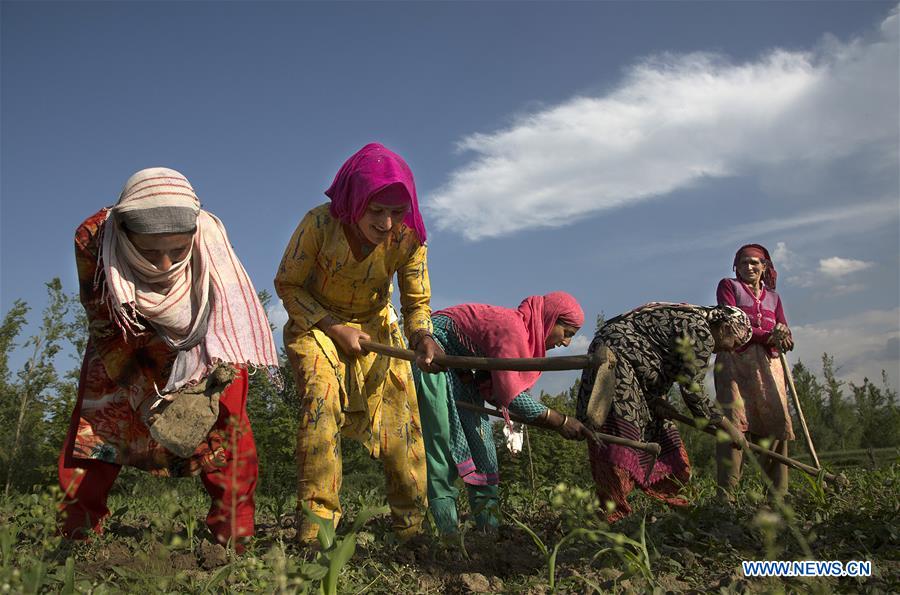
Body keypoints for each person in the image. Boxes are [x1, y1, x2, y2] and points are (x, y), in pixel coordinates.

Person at [59, 167, 280, 550]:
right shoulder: (93, 239)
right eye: (148, 253)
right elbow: (103, 318)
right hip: (124, 336)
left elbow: (224, 318)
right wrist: (147, 392)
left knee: (227, 432)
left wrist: (194, 384)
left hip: (204, 341)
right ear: (124, 234)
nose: (164, 266)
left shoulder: (210, 240)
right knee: (97, 428)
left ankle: (234, 538)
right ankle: (76, 533)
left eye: (178, 252)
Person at [274, 143, 441, 543]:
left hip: (376, 330)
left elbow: (416, 303)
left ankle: (412, 532)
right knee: (322, 401)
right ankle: (317, 531)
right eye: (376, 210)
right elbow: (288, 285)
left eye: (396, 212)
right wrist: (336, 328)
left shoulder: (409, 239)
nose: (386, 223)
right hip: (317, 324)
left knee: (402, 421)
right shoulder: (319, 225)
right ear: (355, 200)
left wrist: (423, 336)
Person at [415, 292, 593, 534]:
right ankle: (447, 536)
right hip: (432, 355)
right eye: (567, 333)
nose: (566, 343)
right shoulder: (512, 329)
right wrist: (560, 421)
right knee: (442, 444)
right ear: (550, 320)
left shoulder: (525, 340)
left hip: (462, 371)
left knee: (484, 448)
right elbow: (513, 396)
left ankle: (489, 532)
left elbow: (497, 388)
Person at [575, 303, 751, 522]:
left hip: (630, 372)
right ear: (724, 328)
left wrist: (658, 399)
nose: (731, 350)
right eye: (735, 343)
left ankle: (674, 506)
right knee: (622, 437)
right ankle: (611, 514)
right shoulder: (702, 332)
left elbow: (657, 354)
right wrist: (728, 427)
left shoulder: (692, 322)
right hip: (617, 365)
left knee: (663, 432)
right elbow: (692, 390)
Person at [714, 244, 794, 496]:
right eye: (743, 263)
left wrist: (783, 334)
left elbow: (786, 336)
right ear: (736, 267)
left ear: (764, 267)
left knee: (775, 424)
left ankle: (778, 496)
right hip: (735, 363)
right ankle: (727, 498)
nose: (749, 267)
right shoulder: (729, 286)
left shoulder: (774, 298)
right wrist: (768, 335)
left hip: (769, 366)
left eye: (754, 263)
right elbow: (732, 324)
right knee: (734, 425)